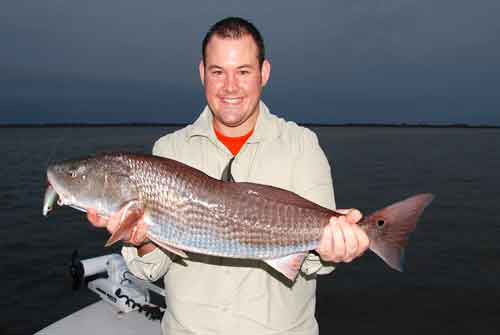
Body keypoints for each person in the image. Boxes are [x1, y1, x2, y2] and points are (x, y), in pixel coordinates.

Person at [88, 17, 369, 335]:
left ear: (264, 73)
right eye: (218, 72)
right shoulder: (169, 150)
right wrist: (139, 241)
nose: (230, 87)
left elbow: (312, 263)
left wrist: (331, 249)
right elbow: (151, 270)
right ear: (202, 73)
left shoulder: (302, 146)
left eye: (243, 72)